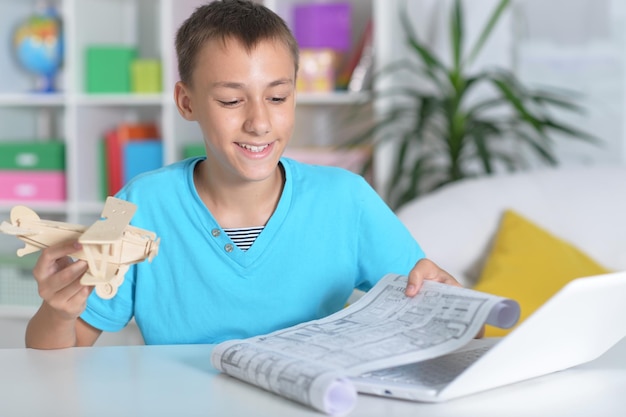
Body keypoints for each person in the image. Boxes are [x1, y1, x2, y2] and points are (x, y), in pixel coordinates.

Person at [25, 0, 461, 350]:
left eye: (277, 96)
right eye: (232, 101)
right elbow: (58, 354)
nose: (259, 122)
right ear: (187, 102)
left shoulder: (348, 199)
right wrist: (59, 313)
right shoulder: (133, 203)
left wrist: (448, 303)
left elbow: (442, 327)